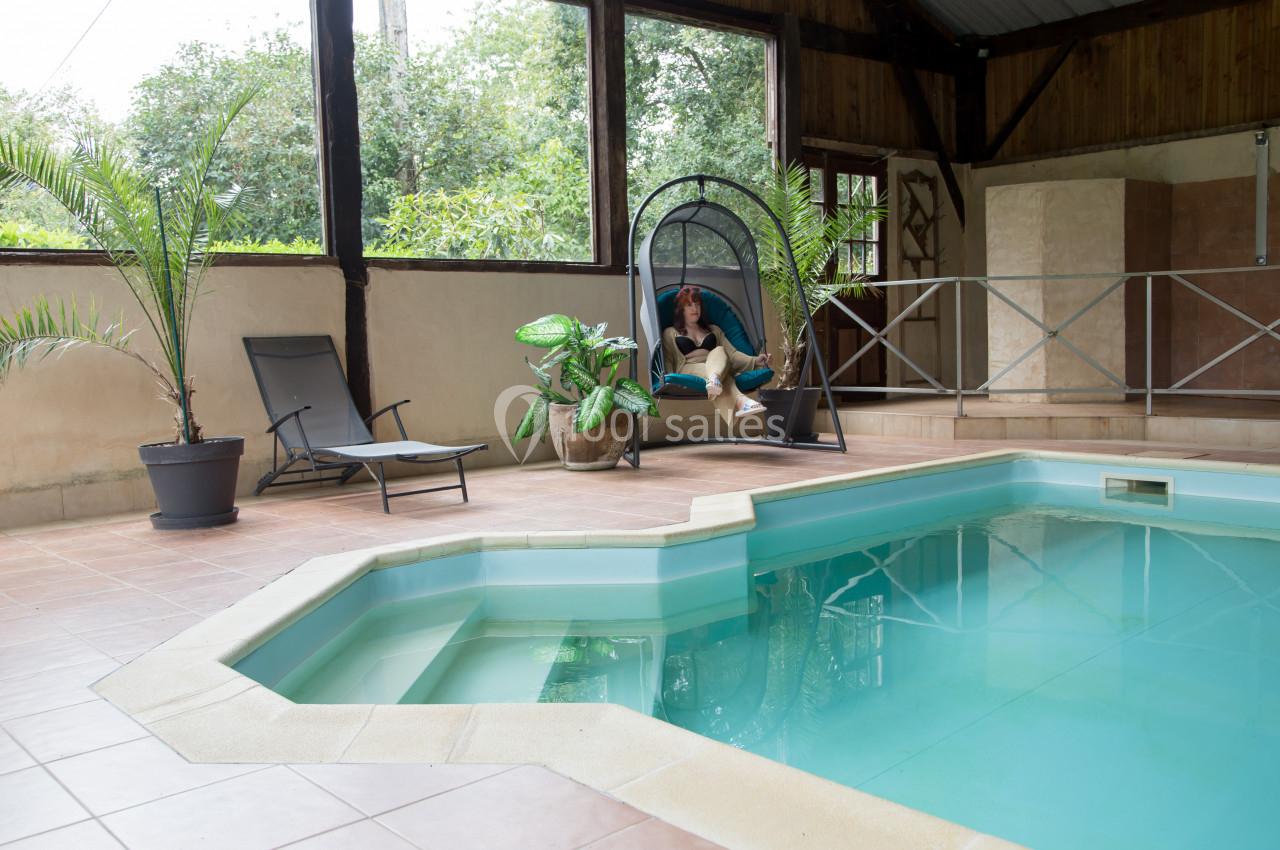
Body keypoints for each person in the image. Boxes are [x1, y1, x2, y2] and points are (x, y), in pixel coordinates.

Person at [662, 284, 772, 425]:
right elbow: (668, 358)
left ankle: (715, 380)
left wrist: (756, 361)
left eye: (697, 304)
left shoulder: (714, 330)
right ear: (681, 309)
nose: (695, 308)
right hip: (688, 367)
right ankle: (740, 400)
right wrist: (668, 380)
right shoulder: (670, 332)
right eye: (689, 305)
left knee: (719, 350)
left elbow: (732, 355)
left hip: (716, 365)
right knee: (722, 376)